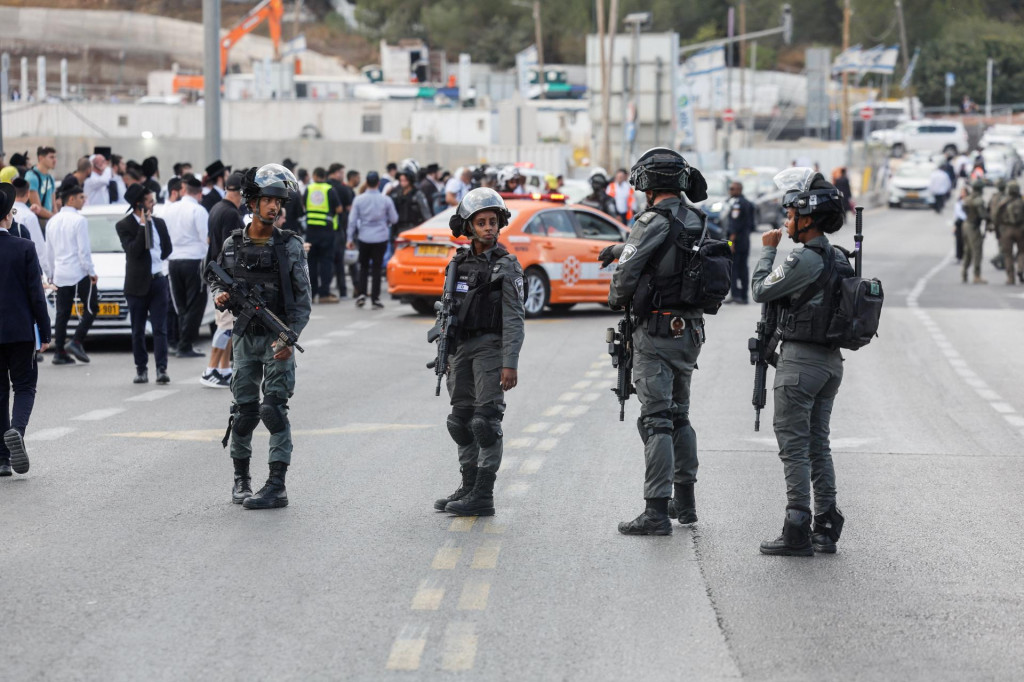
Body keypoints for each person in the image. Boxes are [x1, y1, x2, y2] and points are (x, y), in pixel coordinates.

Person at [604, 148, 711, 536]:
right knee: (680, 415)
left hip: (655, 332)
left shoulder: (651, 219)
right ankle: (685, 502)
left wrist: (615, 295)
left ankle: (654, 511)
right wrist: (621, 248)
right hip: (690, 332)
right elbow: (670, 258)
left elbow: (628, 272)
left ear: (648, 184)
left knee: (657, 420)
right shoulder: (696, 218)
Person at [750, 168, 852, 556]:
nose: (787, 221)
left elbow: (761, 289)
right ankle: (826, 524)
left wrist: (767, 250)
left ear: (807, 219)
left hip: (800, 366)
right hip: (830, 364)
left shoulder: (805, 258)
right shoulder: (837, 258)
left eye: (792, 214)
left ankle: (796, 527)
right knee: (817, 445)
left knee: (793, 446)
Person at [209, 164, 311, 510]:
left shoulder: (290, 246)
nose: (274, 207)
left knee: (274, 410)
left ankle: (276, 485)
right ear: (252, 202)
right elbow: (217, 279)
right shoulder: (233, 244)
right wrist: (219, 296)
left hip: (276, 340)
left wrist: (288, 338)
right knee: (244, 412)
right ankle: (241, 479)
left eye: (278, 201)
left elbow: (302, 303)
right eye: (267, 199)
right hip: (243, 338)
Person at [434, 188, 526, 517]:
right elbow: (445, 309)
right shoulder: (457, 263)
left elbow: (515, 319)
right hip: (459, 350)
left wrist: (509, 363)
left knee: (484, 422)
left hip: (490, 349)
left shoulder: (507, 266)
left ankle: (483, 494)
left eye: (493, 222)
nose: (488, 227)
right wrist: (444, 352)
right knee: (460, 421)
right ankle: (468, 483)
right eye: (481, 222)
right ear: (469, 226)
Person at [0, 182, 51, 477]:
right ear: (8, 216)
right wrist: (45, 333)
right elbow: (36, 295)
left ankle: (3, 459)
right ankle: (17, 431)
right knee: (24, 386)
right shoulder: (24, 248)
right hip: (20, 330)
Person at [116, 184, 173, 384]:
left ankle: (161, 369)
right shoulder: (123, 225)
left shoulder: (159, 223)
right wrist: (142, 225)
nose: (154, 204)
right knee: (138, 330)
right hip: (136, 285)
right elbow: (133, 251)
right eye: (149, 201)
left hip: (158, 280)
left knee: (160, 328)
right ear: (139, 204)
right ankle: (141, 369)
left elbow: (167, 249)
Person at [46, 182, 97, 365]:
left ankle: (59, 352)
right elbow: (83, 251)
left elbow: (49, 251)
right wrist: (91, 272)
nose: (84, 200)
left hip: (60, 273)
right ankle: (76, 340)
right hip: (79, 272)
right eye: (81, 197)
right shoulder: (79, 220)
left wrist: (51, 274)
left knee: (62, 314)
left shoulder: (52, 221)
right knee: (92, 308)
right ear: (71, 199)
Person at [163, 175, 210, 358]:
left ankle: (183, 342)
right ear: (199, 194)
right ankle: (185, 344)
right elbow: (204, 238)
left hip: (173, 261)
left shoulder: (169, 210)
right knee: (196, 305)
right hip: (194, 261)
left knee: (181, 305)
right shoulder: (198, 211)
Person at [346, 171, 397, 309]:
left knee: (363, 267)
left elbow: (352, 221)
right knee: (376, 267)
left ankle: (362, 294)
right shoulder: (386, 200)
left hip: (364, 236)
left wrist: (349, 238)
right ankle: (375, 297)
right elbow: (394, 218)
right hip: (380, 237)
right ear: (378, 183)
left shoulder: (359, 199)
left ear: (367, 183)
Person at [303, 167, 341, 304]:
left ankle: (312, 294)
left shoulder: (309, 188)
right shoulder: (329, 189)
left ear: (314, 175)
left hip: (311, 231)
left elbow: (304, 205)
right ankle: (324, 293)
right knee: (326, 262)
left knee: (311, 263)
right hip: (326, 232)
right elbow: (339, 209)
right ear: (324, 176)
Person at [725, 180, 757, 304]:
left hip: (735, 242)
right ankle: (744, 295)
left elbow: (734, 225)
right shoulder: (749, 203)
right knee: (743, 267)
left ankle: (736, 295)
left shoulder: (737, 204)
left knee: (733, 268)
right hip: (745, 241)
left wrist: (730, 243)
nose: (730, 191)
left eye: (732, 189)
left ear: (739, 190)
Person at [390, 159, 431, 237]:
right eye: (401, 180)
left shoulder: (418, 194)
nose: (403, 183)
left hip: (414, 228)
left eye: (405, 180)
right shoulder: (396, 194)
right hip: (399, 229)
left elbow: (426, 213)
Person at [962, 179, 988, 284]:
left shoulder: (968, 198)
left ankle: (964, 272)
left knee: (968, 250)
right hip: (973, 226)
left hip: (966, 224)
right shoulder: (978, 200)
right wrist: (989, 216)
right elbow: (982, 215)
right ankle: (977, 275)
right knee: (977, 251)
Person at [998, 181, 1024, 285]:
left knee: (1008, 255)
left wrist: (997, 229)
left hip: (1006, 229)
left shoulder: (1003, 202)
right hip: (1020, 230)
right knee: (1022, 252)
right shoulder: (1021, 202)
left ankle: (1010, 278)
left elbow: (996, 216)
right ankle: (1021, 268)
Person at [26, 146, 58, 224]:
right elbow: (37, 207)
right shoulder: (32, 177)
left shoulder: (50, 178)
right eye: (51, 157)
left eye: (55, 157)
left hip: (49, 220)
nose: (55, 160)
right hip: (37, 221)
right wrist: (55, 217)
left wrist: (56, 218)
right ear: (40, 158)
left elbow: (54, 204)